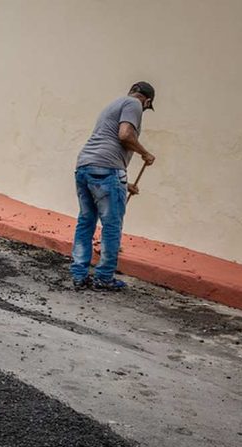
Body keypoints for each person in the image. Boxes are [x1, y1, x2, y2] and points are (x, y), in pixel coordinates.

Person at [70, 82, 156, 291]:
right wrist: (145, 152)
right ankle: (104, 277)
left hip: (85, 167)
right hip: (107, 170)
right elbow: (125, 135)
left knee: (86, 221)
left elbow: (104, 151)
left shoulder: (114, 103)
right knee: (112, 225)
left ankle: (79, 274)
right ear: (148, 101)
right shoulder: (134, 104)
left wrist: (125, 185)